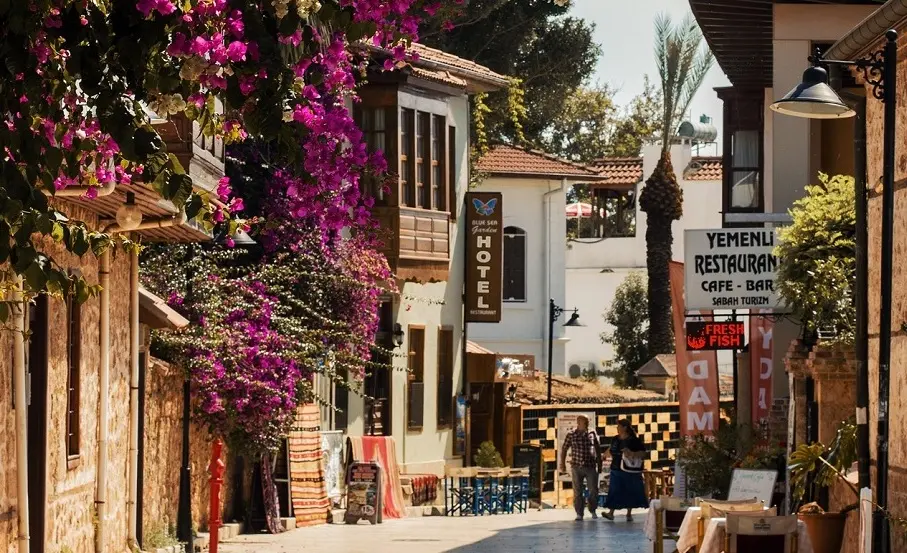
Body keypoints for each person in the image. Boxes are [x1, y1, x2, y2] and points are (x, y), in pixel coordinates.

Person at [602, 418, 648, 521]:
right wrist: (604, 455)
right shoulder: (615, 439)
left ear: (625, 427)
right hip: (616, 468)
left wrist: (632, 453)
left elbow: (644, 453)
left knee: (630, 491)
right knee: (614, 491)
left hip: (629, 470)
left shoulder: (634, 440)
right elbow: (611, 449)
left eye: (619, 426)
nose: (617, 428)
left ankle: (629, 513)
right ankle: (611, 513)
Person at [558, 415, 602, 521]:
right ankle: (579, 513)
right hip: (576, 466)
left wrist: (600, 463)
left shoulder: (592, 433)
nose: (587, 423)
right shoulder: (571, 434)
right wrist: (562, 464)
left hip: (590, 466)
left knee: (593, 490)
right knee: (578, 491)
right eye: (585, 421)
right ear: (578, 422)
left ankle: (592, 510)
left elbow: (598, 448)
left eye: (587, 421)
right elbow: (564, 449)